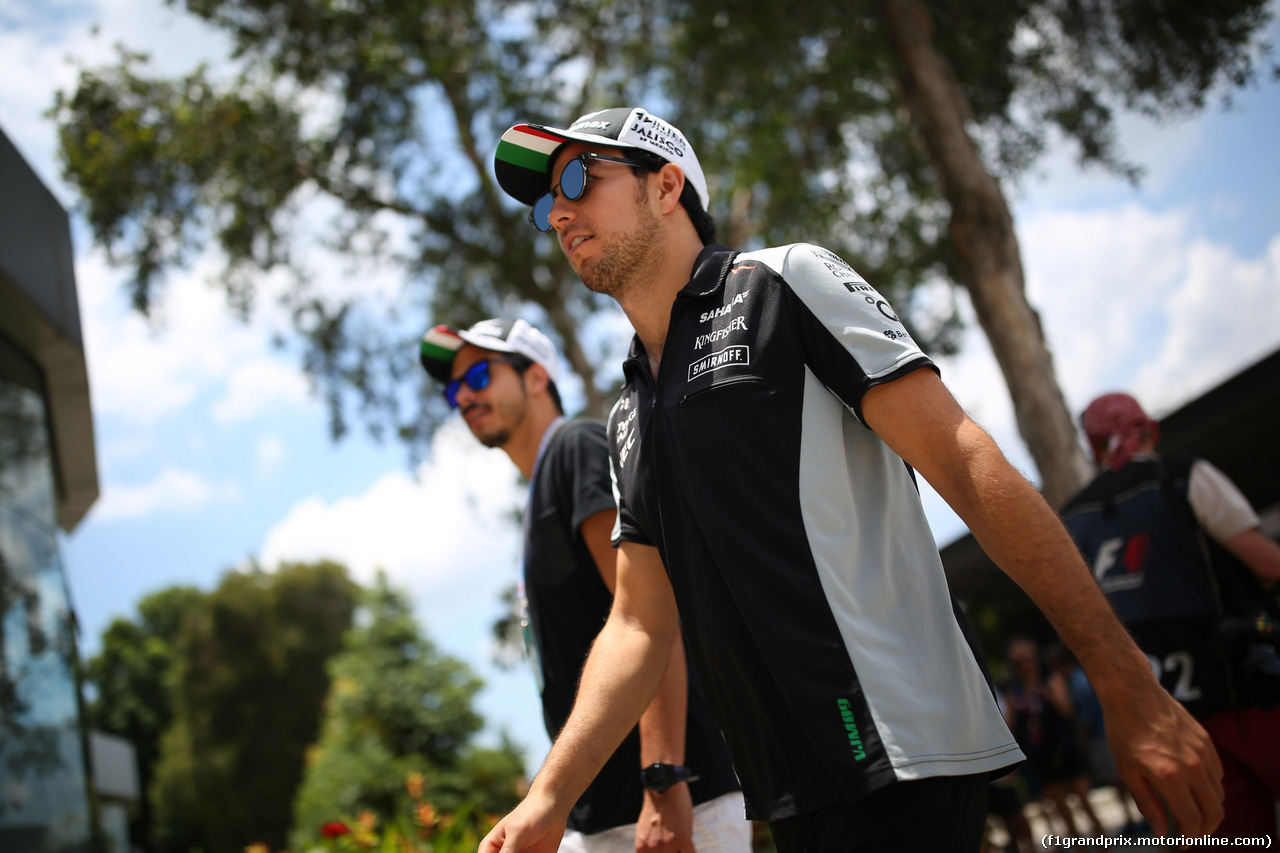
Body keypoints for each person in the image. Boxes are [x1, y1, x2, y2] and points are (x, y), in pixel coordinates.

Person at [480, 107, 1224, 852]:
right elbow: (639, 623)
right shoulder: (627, 413)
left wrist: (1123, 677)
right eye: (547, 202)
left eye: (579, 175)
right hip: (793, 792)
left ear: (667, 185)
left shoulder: (784, 283)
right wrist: (549, 799)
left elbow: (966, 463)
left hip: (904, 755)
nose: (559, 212)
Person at [418, 317, 748, 852]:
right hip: (602, 817)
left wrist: (663, 781)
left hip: (663, 807)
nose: (463, 397)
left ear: (535, 378)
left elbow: (646, 614)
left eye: (478, 375)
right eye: (454, 388)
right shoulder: (545, 484)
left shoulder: (577, 449)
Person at [1060, 392, 1280, 838]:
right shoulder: (1180, 475)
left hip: (1169, 729)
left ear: (1092, 447)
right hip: (1250, 692)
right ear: (1150, 429)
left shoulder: (1071, 519)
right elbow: (1267, 565)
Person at [1002, 638, 1104, 838]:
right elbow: (1010, 726)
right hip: (1040, 753)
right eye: (1019, 661)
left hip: (1063, 748)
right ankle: (1080, 847)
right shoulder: (1015, 690)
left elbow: (1068, 710)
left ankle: (1103, 846)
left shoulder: (1051, 679)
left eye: (1027, 659)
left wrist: (1047, 695)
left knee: (1084, 802)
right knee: (1060, 810)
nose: (1024, 665)